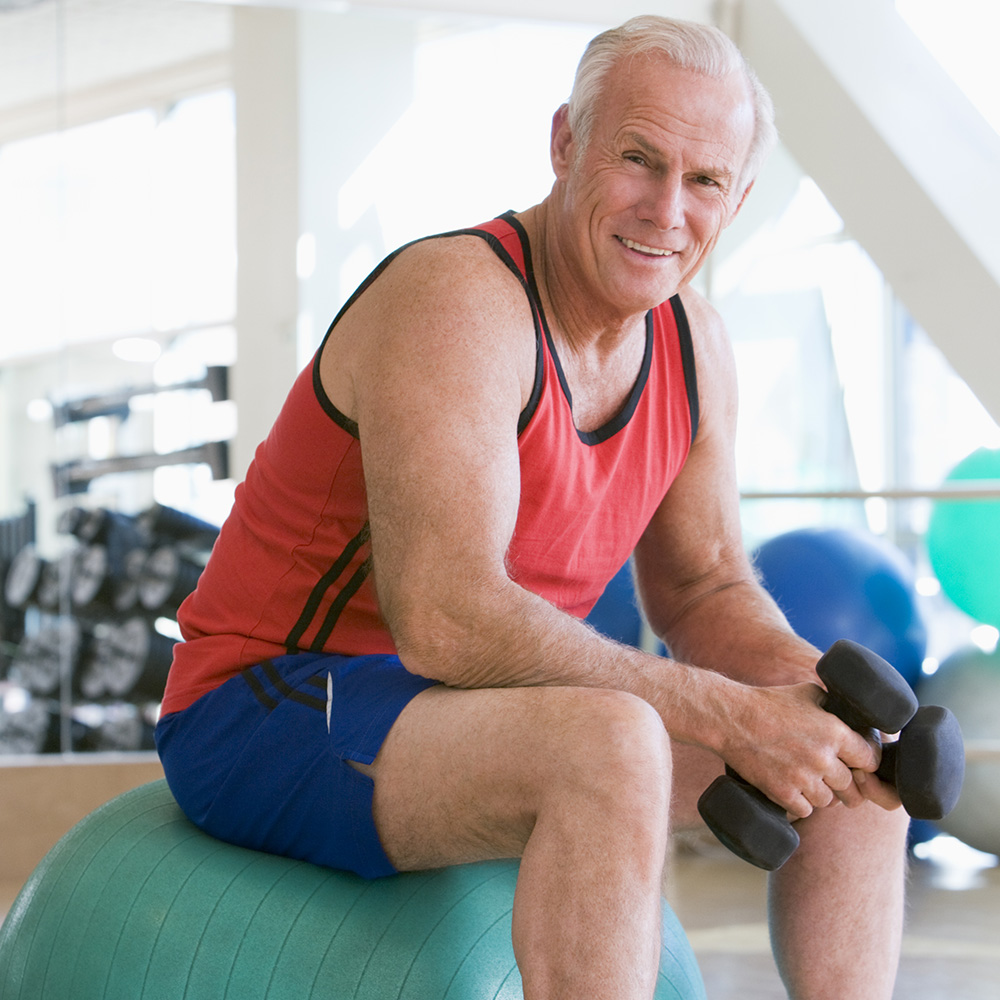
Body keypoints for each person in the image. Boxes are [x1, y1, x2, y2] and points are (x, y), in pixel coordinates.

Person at [155, 15, 909, 1000]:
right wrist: (729, 714)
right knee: (611, 745)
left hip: (470, 713)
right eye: (637, 158)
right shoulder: (459, 303)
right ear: (566, 143)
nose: (665, 208)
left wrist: (800, 698)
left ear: (740, 197)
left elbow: (704, 584)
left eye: (705, 181)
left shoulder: (693, 346)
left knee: (853, 763)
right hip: (269, 705)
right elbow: (448, 620)